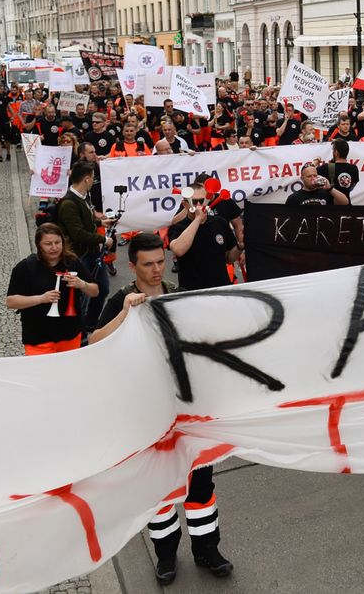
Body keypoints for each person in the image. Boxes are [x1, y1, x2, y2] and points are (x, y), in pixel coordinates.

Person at [90, 232, 234, 584]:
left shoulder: (177, 295)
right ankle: (166, 555)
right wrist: (125, 313)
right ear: (132, 266)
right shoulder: (121, 300)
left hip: (185, 409)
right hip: (145, 413)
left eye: (160, 262)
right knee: (159, 489)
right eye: (148, 264)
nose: (156, 270)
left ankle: (207, 549)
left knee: (201, 484)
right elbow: (93, 342)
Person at [5, 223, 98, 355]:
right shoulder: (26, 267)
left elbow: (95, 291)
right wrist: (41, 298)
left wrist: (82, 284)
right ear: (38, 245)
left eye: (57, 242)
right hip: (38, 338)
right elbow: (11, 302)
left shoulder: (73, 262)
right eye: (48, 244)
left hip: (70, 335)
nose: (54, 248)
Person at [54, 163, 111, 339]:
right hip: (81, 255)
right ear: (86, 179)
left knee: (102, 288)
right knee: (83, 294)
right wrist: (103, 239)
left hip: (91, 253)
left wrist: (101, 223)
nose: (93, 181)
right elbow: (77, 233)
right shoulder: (69, 203)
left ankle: (90, 324)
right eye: (92, 178)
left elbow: (86, 220)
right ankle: (80, 329)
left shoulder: (84, 197)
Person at [168, 183, 240, 292]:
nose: (198, 205)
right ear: (185, 204)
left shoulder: (220, 223)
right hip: (191, 292)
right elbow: (179, 250)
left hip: (221, 289)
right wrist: (198, 219)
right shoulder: (178, 227)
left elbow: (229, 258)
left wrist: (240, 246)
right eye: (194, 201)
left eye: (202, 201)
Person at [323, 139, 360, 204]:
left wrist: (316, 160)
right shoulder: (354, 168)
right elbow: (352, 186)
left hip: (331, 207)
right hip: (347, 206)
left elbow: (308, 171)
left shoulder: (326, 167)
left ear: (336, 152)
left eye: (333, 150)